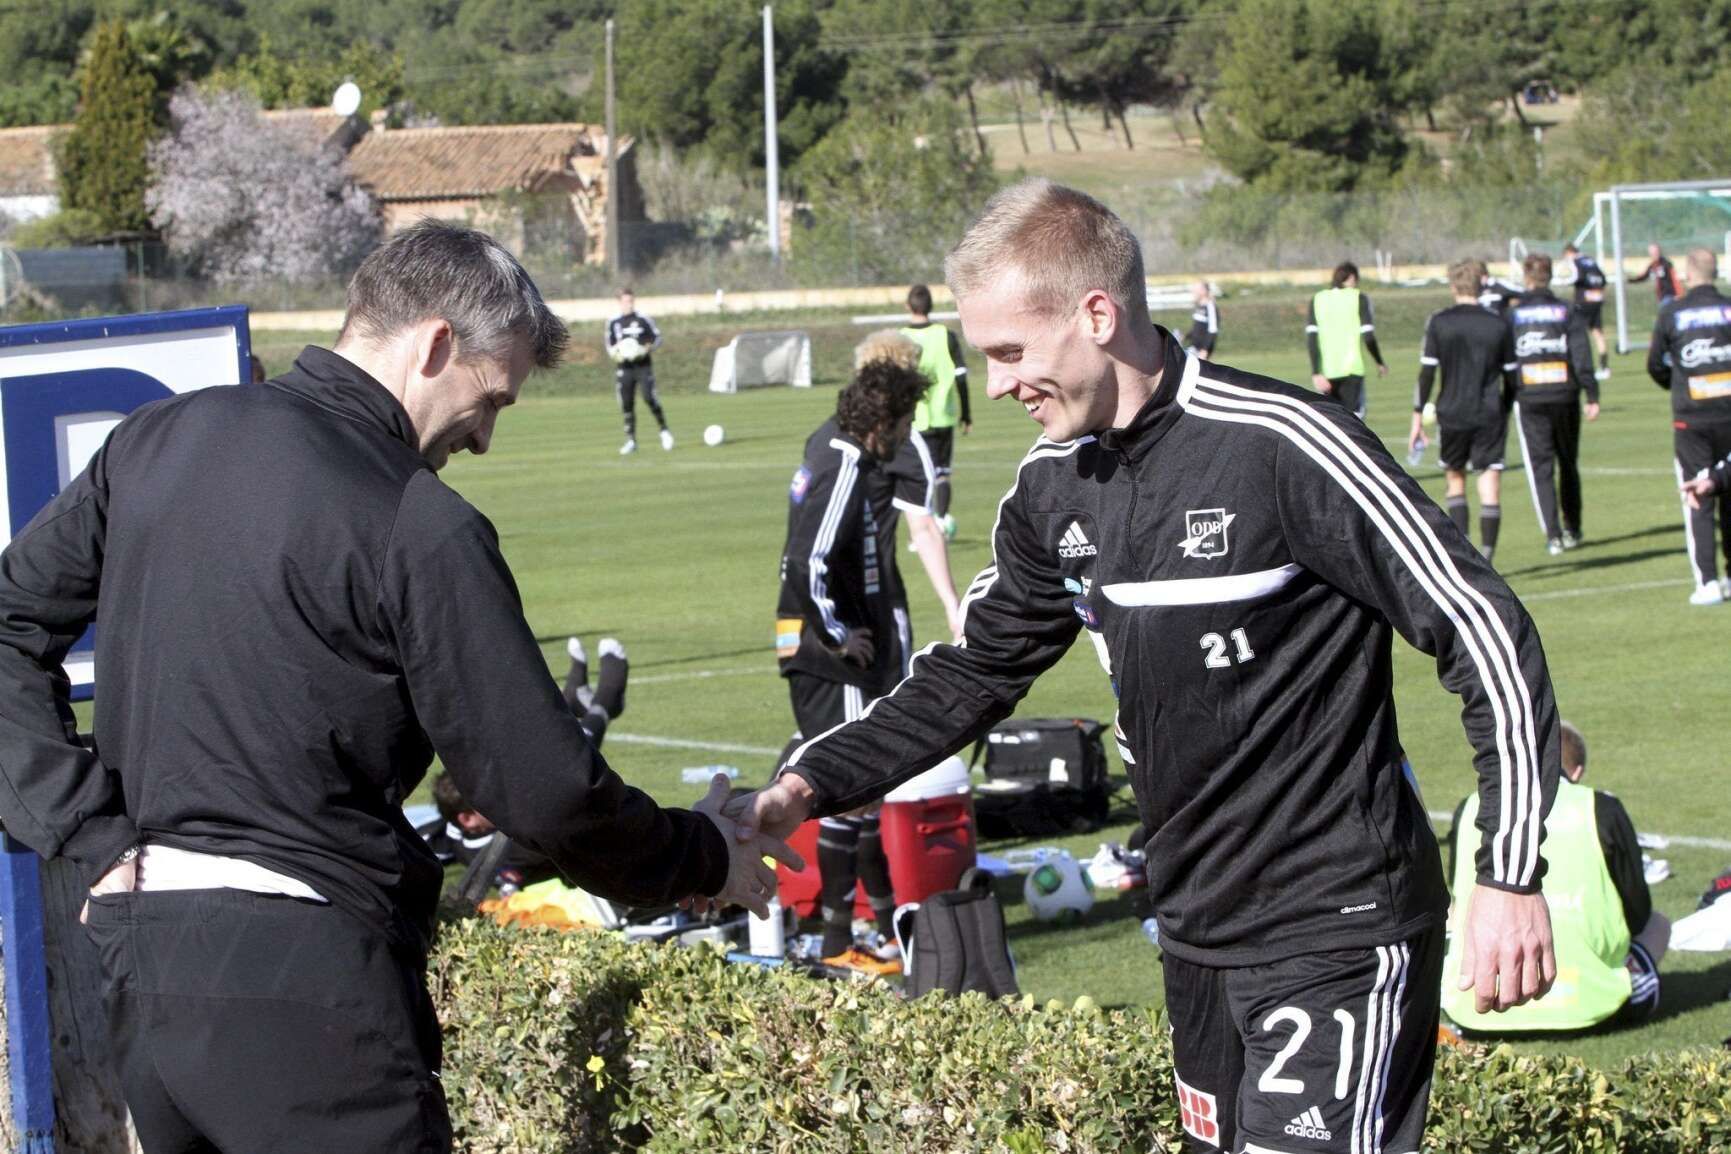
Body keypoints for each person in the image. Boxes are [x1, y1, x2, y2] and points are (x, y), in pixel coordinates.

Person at [737, 179, 1560, 1154]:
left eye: (1009, 352)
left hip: (1334, 923)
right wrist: (804, 785)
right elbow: (970, 673)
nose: (994, 385)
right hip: (1193, 928)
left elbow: (1482, 626)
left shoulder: (1281, 444)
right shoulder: (1052, 486)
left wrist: (1510, 872)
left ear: (1097, 315)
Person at [0, 221, 793, 1151]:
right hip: (305, 979)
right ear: (435, 344)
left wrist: (87, 835)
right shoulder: (417, 519)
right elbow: (541, 788)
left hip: (143, 967)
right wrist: (699, 856)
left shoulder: (158, 437)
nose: (485, 437)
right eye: (491, 399)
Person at [775, 342, 931, 973]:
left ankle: (884, 927)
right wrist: (839, 634)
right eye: (906, 423)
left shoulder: (836, 446)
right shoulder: (841, 464)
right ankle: (837, 944)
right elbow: (803, 562)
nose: (908, 435)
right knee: (846, 791)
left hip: (829, 651)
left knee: (865, 790)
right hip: (826, 658)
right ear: (883, 422)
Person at [1444, 722, 1668, 1032]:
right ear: (1576, 773)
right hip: (1593, 1009)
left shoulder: (1470, 806)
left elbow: (1455, 893)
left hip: (1477, 1009)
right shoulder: (1598, 806)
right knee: (1659, 924)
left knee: (1456, 914)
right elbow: (1638, 913)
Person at [420, 635, 631, 889]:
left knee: (528, 751)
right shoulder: (516, 849)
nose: (500, 798)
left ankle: (573, 702)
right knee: (570, 765)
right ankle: (605, 700)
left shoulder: (452, 831)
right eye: (488, 801)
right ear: (468, 819)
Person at [1411, 260, 1519, 562]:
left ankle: (1467, 559)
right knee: (1490, 483)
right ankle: (1488, 559)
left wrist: (1417, 416)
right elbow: (1513, 379)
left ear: (1452, 286)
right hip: (1489, 413)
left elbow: (1427, 375)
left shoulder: (1439, 322)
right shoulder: (1499, 323)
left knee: (1455, 481)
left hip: (1452, 412)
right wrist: (1504, 408)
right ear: (1481, 285)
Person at [1648, 247, 1731, 605]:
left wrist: (1678, 385)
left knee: (1697, 494)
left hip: (1691, 418)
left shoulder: (1673, 312)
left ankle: (1707, 581)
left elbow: (1655, 363)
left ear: (1688, 272)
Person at [1509, 253, 1599, 555]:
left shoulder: (1514, 313)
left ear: (1527, 277)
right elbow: (1581, 355)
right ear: (1549, 276)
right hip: (1565, 394)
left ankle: (1553, 535)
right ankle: (1573, 527)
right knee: (1568, 463)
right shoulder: (1566, 310)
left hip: (1530, 396)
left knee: (1541, 468)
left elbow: (1508, 359)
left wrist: (1506, 395)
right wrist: (1592, 393)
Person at [900, 283, 972, 537]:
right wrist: (966, 413)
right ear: (930, 306)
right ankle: (940, 523)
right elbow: (961, 376)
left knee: (919, 476)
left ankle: (924, 532)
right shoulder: (945, 335)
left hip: (913, 419)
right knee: (942, 474)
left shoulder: (900, 338)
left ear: (908, 306)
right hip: (944, 414)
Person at [1307, 261, 1387, 418]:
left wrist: (1316, 372)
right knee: (1354, 421)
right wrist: (1379, 362)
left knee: (1329, 422)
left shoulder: (1317, 299)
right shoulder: (1359, 298)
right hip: (1352, 369)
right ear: (1351, 278)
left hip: (1326, 372)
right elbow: (1368, 337)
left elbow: (1312, 339)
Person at [605, 287, 673, 454]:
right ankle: (631, 441)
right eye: (625, 301)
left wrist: (646, 348)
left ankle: (664, 431)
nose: (628, 304)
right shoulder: (613, 322)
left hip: (643, 366)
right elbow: (609, 346)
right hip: (624, 368)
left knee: (649, 398)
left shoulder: (643, 319)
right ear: (619, 302)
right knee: (627, 403)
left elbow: (657, 338)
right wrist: (616, 353)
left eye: (631, 301)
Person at [1561, 243, 1612, 380]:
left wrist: (1563, 282)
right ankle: (1604, 367)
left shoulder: (1576, 261)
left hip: (1583, 301)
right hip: (1597, 299)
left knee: (1578, 333)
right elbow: (1603, 279)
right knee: (1598, 333)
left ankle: (1580, 367)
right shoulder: (1591, 261)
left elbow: (1577, 277)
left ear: (1569, 253)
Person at [1182, 280, 1219, 361]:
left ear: (1204, 291)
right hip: (1194, 347)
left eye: (1196, 289)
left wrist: (1205, 350)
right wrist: (1185, 336)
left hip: (1201, 350)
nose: (1193, 292)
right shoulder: (1199, 306)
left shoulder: (1210, 306)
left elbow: (1213, 330)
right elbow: (1197, 329)